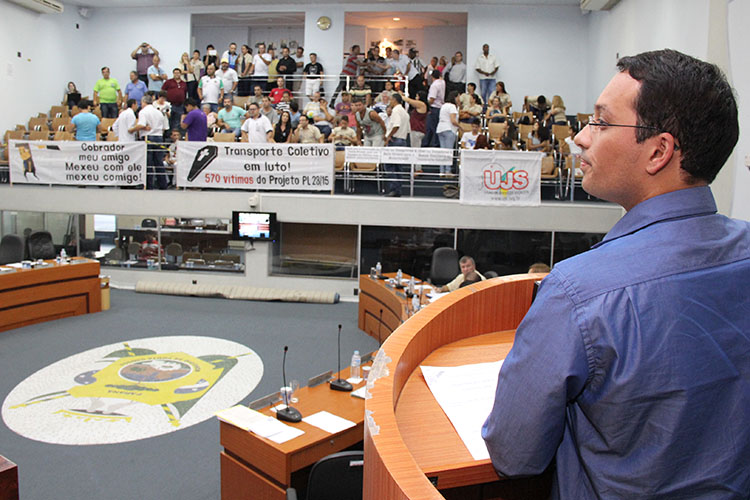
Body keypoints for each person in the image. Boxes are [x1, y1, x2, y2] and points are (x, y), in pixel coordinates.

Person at [482, 49, 749, 499]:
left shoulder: (576, 292)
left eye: (602, 123)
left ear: (659, 151)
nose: (580, 138)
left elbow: (514, 455)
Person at [134, 95, 167, 190]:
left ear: (144, 102)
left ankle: (149, 185)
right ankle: (163, 184)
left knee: (148, 162)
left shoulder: (143, 112)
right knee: (159, 162)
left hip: (148, 137)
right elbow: (164, 127)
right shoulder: (159, 112)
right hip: (159, 137)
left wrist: (132, 129)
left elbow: (142, 124)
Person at [383, 93, 410, 197]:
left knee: (390, 166)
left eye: (391, 100)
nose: (390, 102)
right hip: (402, 140)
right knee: (398, 167)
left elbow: (396, 125)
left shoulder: (396, 111)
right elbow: (408, 130)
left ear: (394, 100)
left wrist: (389, 136)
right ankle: (398, 189)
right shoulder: (405, 112)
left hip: (395, 140)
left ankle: (394, 189)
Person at [436, 91, 459, 175]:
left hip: (440, 128)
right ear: (455, 97)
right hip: (449, 129)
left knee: (443, 151)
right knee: (449, 151)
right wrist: (460, 126)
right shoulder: (452, 106)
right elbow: (453, 120)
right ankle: (448, 170)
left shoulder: (444, 106)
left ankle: (442, 171)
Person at [422, 70, 445, 148]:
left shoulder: (434, 85)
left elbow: (432, 99)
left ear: (432, 77)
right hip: (440, 107)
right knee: (436, 127)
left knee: (431, 128)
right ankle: (436, 143)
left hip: (434, 108)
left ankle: (431, 144)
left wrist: (427, 103)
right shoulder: (442, 82)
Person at [475, 44, 499, 109]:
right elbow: (477, 68)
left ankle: (491, 108)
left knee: (492, 94)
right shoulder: (480, 58)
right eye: (485, 48)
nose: (486, 49)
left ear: (489, 49)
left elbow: (497, 66)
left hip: (492, 78)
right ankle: (484, 109)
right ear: (483, 49)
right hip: (483, 78)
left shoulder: (493, 57)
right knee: (483, 94)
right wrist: (484, 73)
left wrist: (492, 73)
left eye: (487, 48)